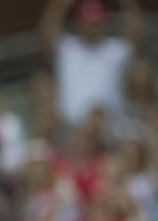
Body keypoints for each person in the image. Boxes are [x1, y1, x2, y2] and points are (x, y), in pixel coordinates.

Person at [40, 0, 144, 130]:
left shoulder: (115, 50)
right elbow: (47, 30)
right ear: (80, 23)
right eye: (88, 23)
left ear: (104, 23)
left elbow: (137, 34)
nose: (92, 27)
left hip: (109, 131)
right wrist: (63, 3)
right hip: (72, 132)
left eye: (96, 23)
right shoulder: (68, 48)